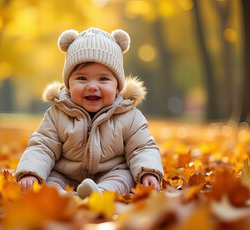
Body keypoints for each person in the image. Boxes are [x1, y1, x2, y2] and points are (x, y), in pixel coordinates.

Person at [15, 28, 163, 198]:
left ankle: (98, 193)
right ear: (68, 86)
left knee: (124, 177)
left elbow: (142, 148)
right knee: (51, 178)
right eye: (82, 78)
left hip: (109, 173)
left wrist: (149, 172)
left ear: (117, 87)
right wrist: (31, 172)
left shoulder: (128, 115)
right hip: (66, 175)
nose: (92, 86)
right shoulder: (57, 114)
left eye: (103, 79)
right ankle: (60, 195)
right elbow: (43, 146)